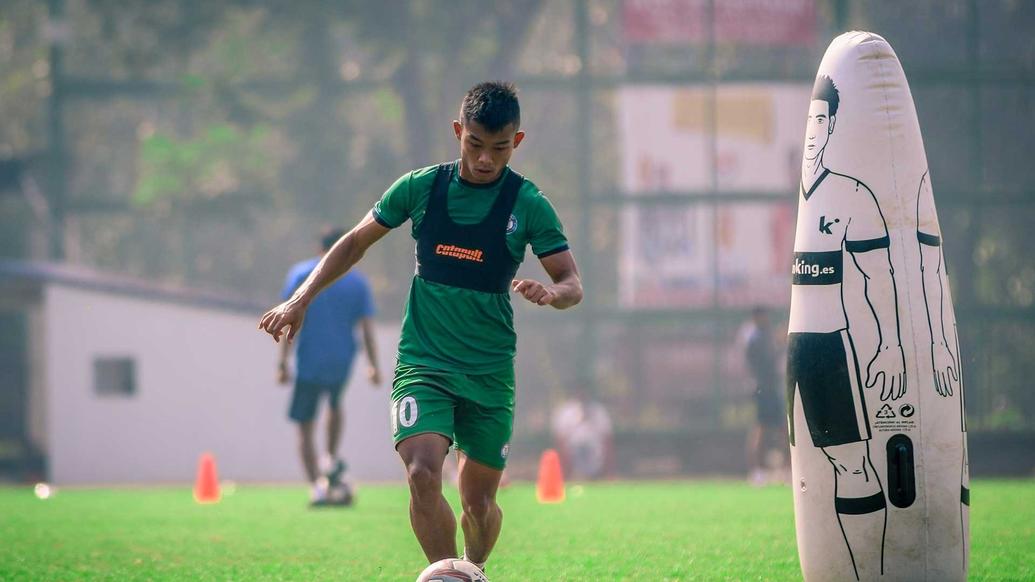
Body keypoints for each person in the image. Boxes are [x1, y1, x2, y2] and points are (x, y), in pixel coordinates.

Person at [259, 81, 583, 575]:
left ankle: (471, 568)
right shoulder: (421, 187)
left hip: (489, 371)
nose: (484, 160)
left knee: (478, 505)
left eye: (499, 149)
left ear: (517, 142)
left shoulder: (528, 204)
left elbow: (571, 282)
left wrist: (552, 293)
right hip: (424, 362)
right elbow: (354, 243)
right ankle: (447, 575)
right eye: (475, 144)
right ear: (458, 132)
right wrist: (301, 299)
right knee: (422, 473)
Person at [787, 75, 906, 580]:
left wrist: (892, 346)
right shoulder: (798, 195)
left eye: (821, 121)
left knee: (853, 463)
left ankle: (870, 572)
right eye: (807, 122)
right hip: (794, 346)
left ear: (831, 126)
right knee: (812, 470)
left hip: (831, 347)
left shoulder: (850, 194)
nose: (813, 132)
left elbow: (881, 273)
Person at [278, 227, 381, 506]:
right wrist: (373, 365)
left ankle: (317, 485)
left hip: (308, 361)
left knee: (305, 425)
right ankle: (331, 459)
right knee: (335, 405)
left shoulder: (301, 275)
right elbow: (366, 328)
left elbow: (288, 320)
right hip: (341, 360)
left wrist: (282, 363)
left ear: (319, 248)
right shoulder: (357, 281)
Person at [743, 306, 785, 485]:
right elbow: (767, 359)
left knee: (782, 428)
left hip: (769, 388)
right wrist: (779, 342)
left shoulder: (761, 335)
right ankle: (757, 471)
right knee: (761, 429)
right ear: (757, 317)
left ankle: (784, 469)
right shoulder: (755, 337)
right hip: (763, 389)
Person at [550, 388, 614, 480]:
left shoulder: (598, 410)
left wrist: (608, 470)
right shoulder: (565, 411)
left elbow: (607, 440)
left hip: (595, 458)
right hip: (573, 458)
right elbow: (560, 440)